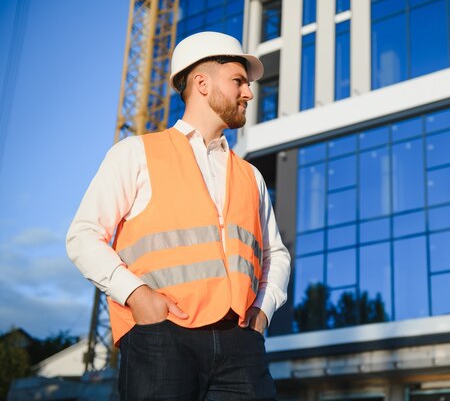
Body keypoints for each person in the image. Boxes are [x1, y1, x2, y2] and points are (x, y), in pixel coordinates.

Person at [66, 31, 291, 400]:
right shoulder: (136, 153)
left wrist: (263, 310)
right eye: (239, 81)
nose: (249, 93)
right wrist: (137, 295)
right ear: (202, 83)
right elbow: (83, 235)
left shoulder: (251, 175)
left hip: (241, 343)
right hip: (161, 335)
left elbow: (276, 254)